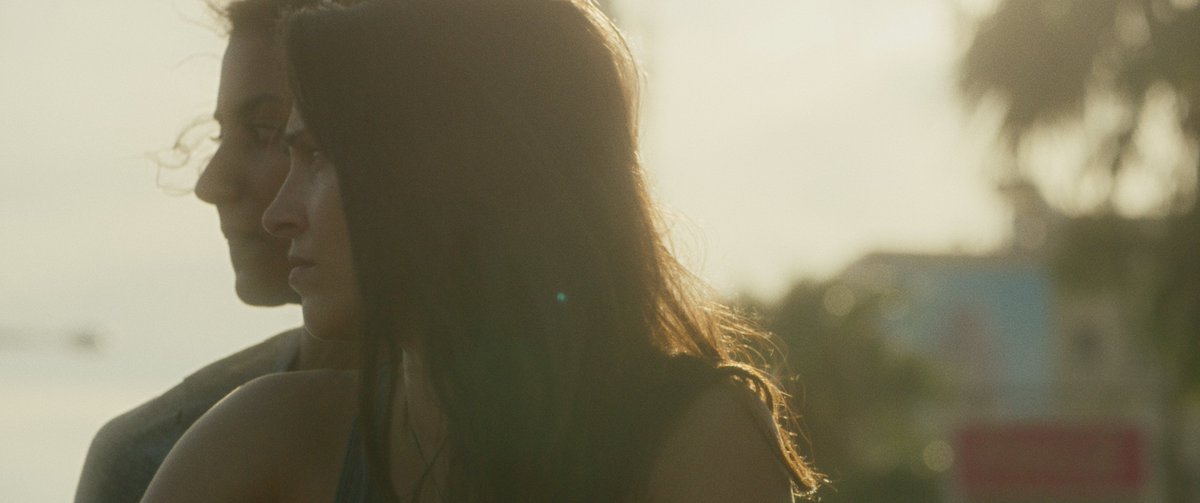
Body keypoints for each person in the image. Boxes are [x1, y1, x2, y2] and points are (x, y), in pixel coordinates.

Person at [142, 0, 825, 501]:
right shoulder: (262, 440)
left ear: (447, 169)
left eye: (317, 156)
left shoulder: (695, 438)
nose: (278, 214)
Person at [74, 1, 359, 501]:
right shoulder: (151, 454)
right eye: (221, 133)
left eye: (268, 130)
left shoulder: (501, 438)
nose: (211, 182)